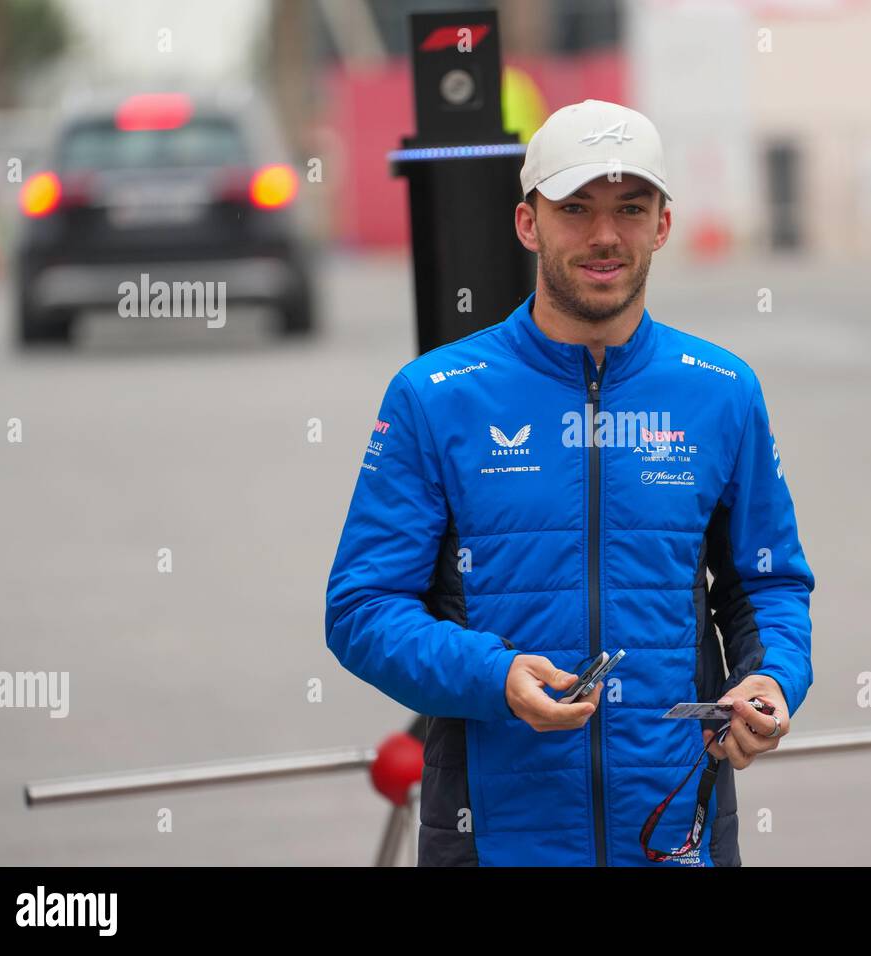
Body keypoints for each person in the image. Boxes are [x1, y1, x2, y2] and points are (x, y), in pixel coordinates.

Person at [325, 99, 815, 866]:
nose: (604, 235)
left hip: (674, 834)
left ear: (662, 224)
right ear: (529, 224)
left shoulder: (722, 391)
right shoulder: (436, 394)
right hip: (491, 838)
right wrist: (494, 675)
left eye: (630, 208)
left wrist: (772, 681)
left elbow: (766, 584)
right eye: (575, 208)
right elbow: (362, 608)